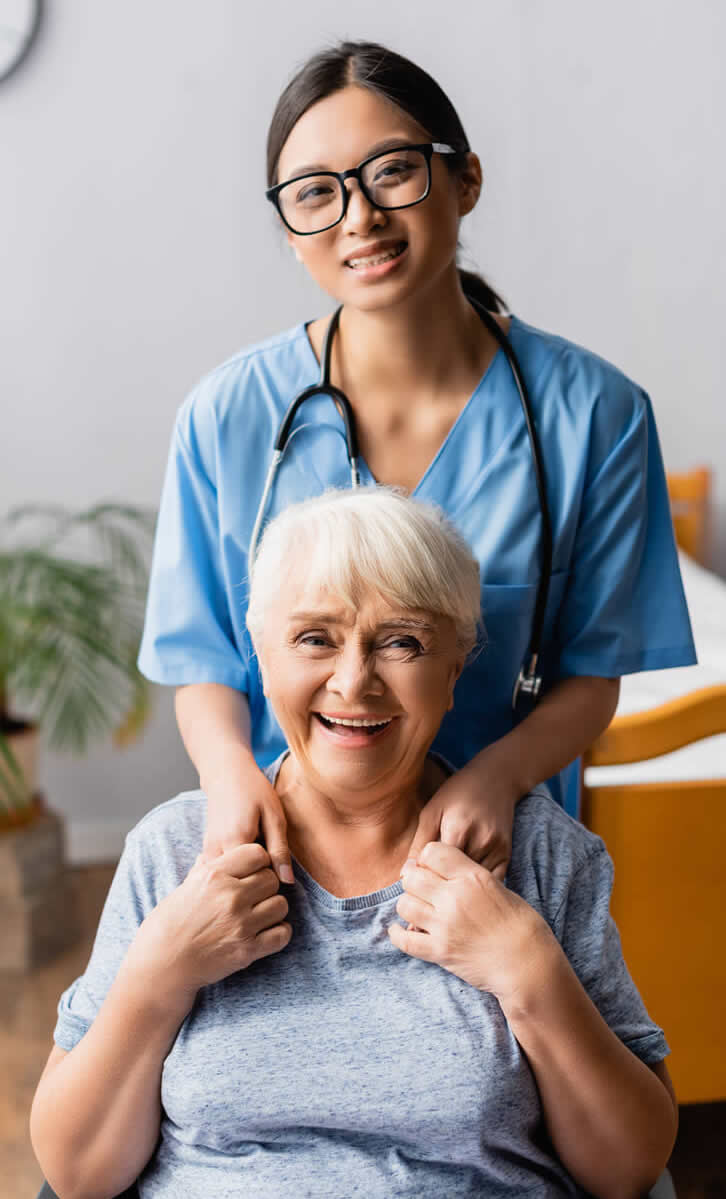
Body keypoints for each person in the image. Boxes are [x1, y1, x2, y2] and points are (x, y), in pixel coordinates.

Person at [137, 39, 695, 885]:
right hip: (289, 857)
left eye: (392, 171)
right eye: (316, 193)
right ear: (291, 228)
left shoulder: (596, 417)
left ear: (465, 178)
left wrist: (497, 779)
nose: (358, 217)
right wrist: (228, 778)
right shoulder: (227, 417)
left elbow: (591, 672)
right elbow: (203, 662)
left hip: (489, 851)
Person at [31, 488, 677, 1198]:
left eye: (403, 641)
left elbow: (629, 1170)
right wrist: (158, 977)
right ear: (262, 657)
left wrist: (532, 976)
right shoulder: (176, 850)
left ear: (456, 668)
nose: (354, 680)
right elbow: (77, 1171)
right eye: (315, 638)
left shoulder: (543, 857)